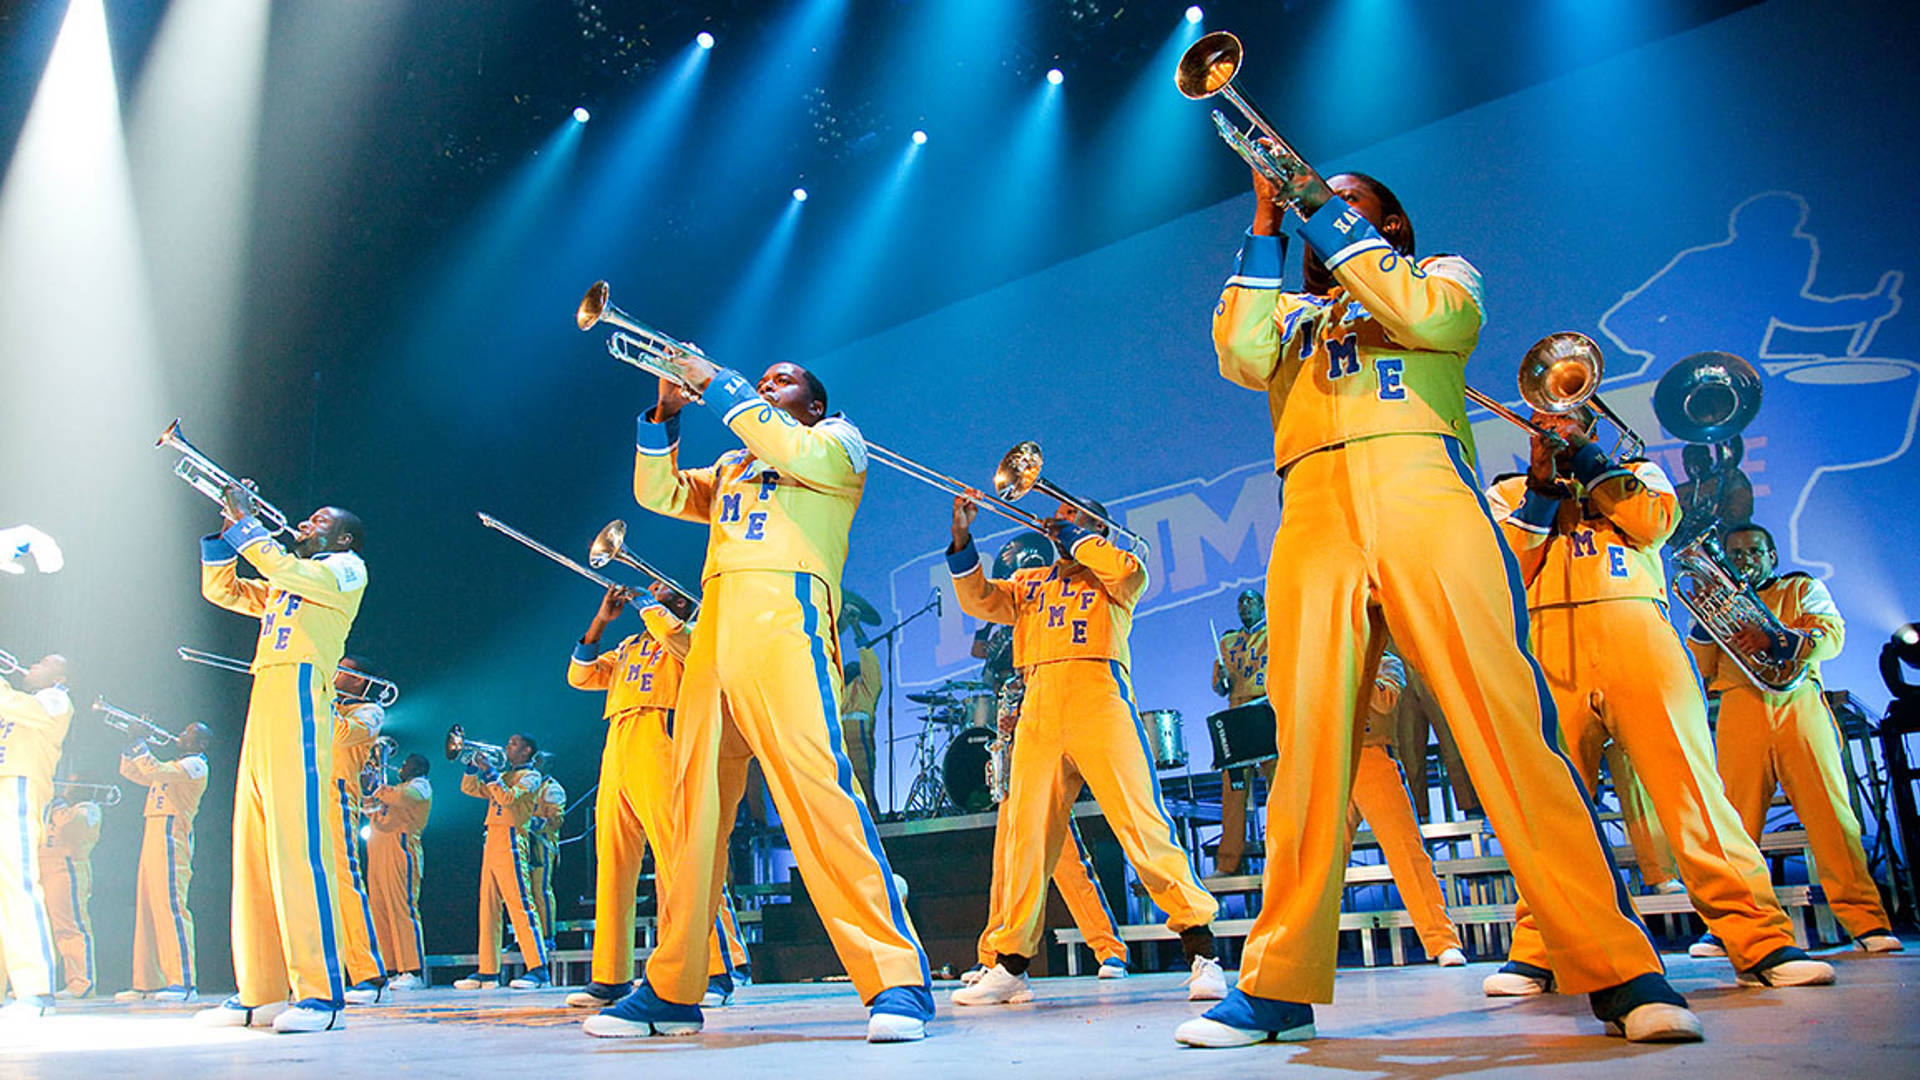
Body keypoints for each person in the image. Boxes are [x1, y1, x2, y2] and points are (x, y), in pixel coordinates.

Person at [1180, 161, 1695, 1047]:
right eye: (1319, 200)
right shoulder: (1292, 312)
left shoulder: (1443, 275)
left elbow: (1427, 319)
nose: (1325, 212)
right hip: (1310, 508)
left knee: (1504, 720)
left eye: (1349, 205)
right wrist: (1267, 224)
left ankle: (1621, 967)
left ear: (1395, 225)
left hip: (1426, 487)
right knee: (1306, 748)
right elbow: (1241, 354)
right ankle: (1274, 985)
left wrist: (1325, 218)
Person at [586, 359, 932, 1043]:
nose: (770, 384)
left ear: (816, 402)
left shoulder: (839, 442)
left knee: (817, 792)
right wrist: (666, 415)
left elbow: (791, 446)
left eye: (784, 381)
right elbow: (657, 493)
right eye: (765, 379)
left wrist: (723, 387)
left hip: (787, 614)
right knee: (693, 814)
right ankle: (673, 988)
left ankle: (896, 977)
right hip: (715, 624)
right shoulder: (734, 462)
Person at [1480, 421, 1831, 993]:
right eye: (1544, 420)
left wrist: (1592, 464)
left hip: (1639, 632)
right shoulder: (1510, 492)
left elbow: (1652, 524)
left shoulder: (1639, 474)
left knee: (1693, 795)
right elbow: (1505, 573)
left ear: (1590, 422)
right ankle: (1541, 946)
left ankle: (1760, 940)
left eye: (1567, 418)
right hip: (1546, 646)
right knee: (1551, 808)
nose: (1554, 427)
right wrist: (1543, 487)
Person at [947, 496, 1223, 1008]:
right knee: (1025, 840)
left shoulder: (1116, 570)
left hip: (1100, 697)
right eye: (1064, 521)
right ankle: (1011, 963)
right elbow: (980, 600)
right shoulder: (1032, 582)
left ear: (1096, 525)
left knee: (1141, 824)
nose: (1060, 525)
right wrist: (963, 542)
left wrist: (1078, 538)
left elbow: (1129, 573)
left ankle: (1201, 950)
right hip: (1040, 706)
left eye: (1073, 518)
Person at [1688, 523, 1903, 955]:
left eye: (1754, 551)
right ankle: (1732, 925)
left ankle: (1866, 922)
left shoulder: (1801, 588)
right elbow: (1704, 661)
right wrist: (1704, 615)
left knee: (1830, 816)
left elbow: (1832, 636)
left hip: (1798, 702)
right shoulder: (1716, 603)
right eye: (1736, 552)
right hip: (1739, 705)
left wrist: (1774, 639)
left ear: (1772, 557)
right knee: (1735, 822)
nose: (1745, 559)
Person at [195, 495, 366, 1034]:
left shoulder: (345, 568)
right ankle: (261, 991)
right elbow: (220, 590)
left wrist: (249, 527)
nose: (305, 522)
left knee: (296, 845)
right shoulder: (287, 578)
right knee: (252, 844)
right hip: (265, 692)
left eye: (320, 520)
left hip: (299, 693)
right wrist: (227, 533)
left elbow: (284, 568)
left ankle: (321, 994)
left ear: (342, 538)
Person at [564, 583, 752, 1013]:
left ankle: (717, 968)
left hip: (662, 736)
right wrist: (600, 623)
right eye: (647, 590)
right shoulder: (630, 644)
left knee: (681, 860)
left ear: (680, 600)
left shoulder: (695, 629)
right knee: (613, 863)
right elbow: (580, 676)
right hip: (618, 742)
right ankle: (610, 977)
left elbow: (684, 645)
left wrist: (651, 609)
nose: (647, 589)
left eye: (658, 588)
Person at [961, 531, 1130, 986]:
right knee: (1011, 852)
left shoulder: (1052, 602)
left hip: (1056, 729)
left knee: (1065, 858)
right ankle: (992, 953)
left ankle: (1107, 947)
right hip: (1021, 737)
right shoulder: (1010, 615)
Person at [1346, 650, 1466, 966]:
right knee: (1316, 861)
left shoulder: (1385, 662)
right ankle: (1304, 950)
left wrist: (1353, 664)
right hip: (1331, 765)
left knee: (1407, 853)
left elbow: (1384, 702)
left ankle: (1441, 940)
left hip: (1374, 760)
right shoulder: (1317, 662)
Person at [115, 723, 213, 1002]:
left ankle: (183, 983)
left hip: (173, 833)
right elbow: (133, 772)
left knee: (171, 905)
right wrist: (130, 745)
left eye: (188, 733)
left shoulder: (196, 765)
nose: (180, 735)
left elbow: (153, 769)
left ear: (202, 743)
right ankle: (147, 982)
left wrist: (141, 745)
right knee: (146, 905)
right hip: (153, 829)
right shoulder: (174, 764)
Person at [0, 653, 72, 1021]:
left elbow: (13, 704)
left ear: (60, 675)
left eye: (43, 663)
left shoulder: (55, 699)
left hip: (21, 790)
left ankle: (36, 989)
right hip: (3, 787)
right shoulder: (21, 701)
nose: (31, 666)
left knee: (20, 886)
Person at [453, 734, 553, 990]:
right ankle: (488, 970)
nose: (507, 746)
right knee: (488, 906)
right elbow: (470, 789)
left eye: (514, 744)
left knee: (520, 904)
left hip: (512, 838)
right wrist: (473, 767)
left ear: (527, 750)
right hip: (493, 837)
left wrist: (490, 772)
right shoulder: (505, 775)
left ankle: (538, 968)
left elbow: (508, 798)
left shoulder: (531, 777)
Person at [329, 657, 391, 1005]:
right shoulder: (327, 704)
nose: (336, 671)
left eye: (344, 669)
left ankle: (368, 973)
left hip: (337, 794)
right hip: (305, 790)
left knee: (345, 882)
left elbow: (341, 737)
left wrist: (320, 695)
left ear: (360, 681)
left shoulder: (370, 711)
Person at [1211, 589, 1271, 876]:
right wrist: (1222, 680)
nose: (1245, 606)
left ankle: (1284, 855)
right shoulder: (1228, 641)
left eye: (1250, 601)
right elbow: (1220, 688)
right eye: (1241, 602)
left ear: (1261, 606)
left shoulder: (1275, 633)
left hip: (1265, 713)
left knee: (1279, 789)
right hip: (1237, 719)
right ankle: (1227, 862)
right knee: (1233, 792)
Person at [366, 753, 431, 990]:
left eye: (406, 764)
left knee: (403, 908)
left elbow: (403, 798)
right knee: (380, 910)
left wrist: (377, 788)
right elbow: (372, 807)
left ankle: (412, 970)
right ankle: (391, 968)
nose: (401, 767)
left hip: (401, 850)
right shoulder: (395, 789)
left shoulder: (420, 786)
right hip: (378, 852)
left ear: (418, 767)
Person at [38, 776, 102, 999]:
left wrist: (59, 807)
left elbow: (70, 828)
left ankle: (81, 982)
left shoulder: (89, 809)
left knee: (71, 926)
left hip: (69, 871)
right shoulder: (58, 808)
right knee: (45, 928)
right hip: (46, 868)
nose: (67, 787)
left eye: (73, 782)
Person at [527, 768, 566, 958]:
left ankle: (547, 936)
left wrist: (528, 821)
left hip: (542, 845)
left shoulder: (551, 789)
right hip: (523, 843)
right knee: (523, 894)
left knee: (540, 890)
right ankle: (526, 937)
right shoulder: (526, 785)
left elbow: (555, 821)